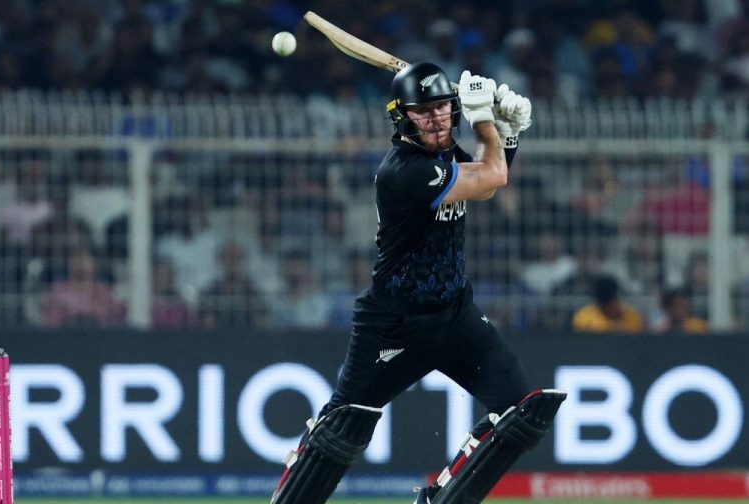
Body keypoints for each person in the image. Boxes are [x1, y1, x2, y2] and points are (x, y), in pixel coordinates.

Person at [271, 62, 566, 504]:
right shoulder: (403, 171)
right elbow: (493, 177)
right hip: (394, 322)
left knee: (519, 414)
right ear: (402, 117)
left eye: (444, 109)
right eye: (423, 112)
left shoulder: (445, 157)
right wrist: (486, 119)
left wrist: (506, 132)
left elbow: (485, 179)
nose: (437, 120)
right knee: (342, 429)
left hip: (454, 316)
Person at [571, 274, 645, 333]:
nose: (615, 307)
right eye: (609, 305)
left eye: (616, 302)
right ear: (599, 305)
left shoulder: (631, 316)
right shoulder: (584, 317)